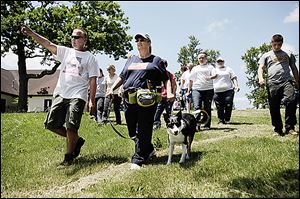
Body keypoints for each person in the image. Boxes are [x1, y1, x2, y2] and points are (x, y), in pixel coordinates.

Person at [21, 25, 100, 167]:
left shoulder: (90, 58)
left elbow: (93, 80)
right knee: (51, 124)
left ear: (85, 40)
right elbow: (48, 44)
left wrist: (91, 101)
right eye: (72, 37)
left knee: (71, 126)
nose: (74, 39)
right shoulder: (66, 52)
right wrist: (32, 33)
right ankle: (77, 140)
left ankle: (69, 157)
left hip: (78, 94)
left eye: (77, 37)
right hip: (61, 93)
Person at [108, 33, 169, 170]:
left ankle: (138, 158)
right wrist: (112, 88)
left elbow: (165, 78)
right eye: (137, 40)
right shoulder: (131, 59)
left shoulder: (156, 60)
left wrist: (169, 92)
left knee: (144, 126)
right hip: (129, 98)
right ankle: (149, 149)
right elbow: (123, 76)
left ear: (149, 43)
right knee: (131, 129)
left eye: (142, 40)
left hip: (147, 98)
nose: (139, 42)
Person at [258, 34, 299, 136]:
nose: (276, 47)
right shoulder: (266, 55)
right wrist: (261, 78)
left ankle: (290, 128)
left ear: (282, 44)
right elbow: (261, 67)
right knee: (274, 106)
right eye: (274, 44)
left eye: (279, 44)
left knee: (291, 100)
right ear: (271, 43)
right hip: (272, 83)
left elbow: (294, 68)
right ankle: (278, 129)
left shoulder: (288, 54)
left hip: (287, 81)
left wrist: (297, 81)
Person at [187, 52, 214, 130]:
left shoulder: (210, 67)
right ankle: (196, 125)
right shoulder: (195, 68)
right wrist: (189, 90)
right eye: (199, 58)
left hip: (208, 89)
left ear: (206, 58)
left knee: (207, 108)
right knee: (197, 107)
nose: (201, 59)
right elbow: (191, 80)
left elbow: (215, 75)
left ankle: (206, 125)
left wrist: (210, 77)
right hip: (197, 89)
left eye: (203, 58)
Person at [211, 57, 240, 124]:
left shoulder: (228, 69)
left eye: (221, 61)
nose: (220, 62)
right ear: (216, 62)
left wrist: (236, 85)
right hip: (217, 91)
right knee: (219, 106)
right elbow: (211, 79)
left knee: (228, 103)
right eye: (218, 61)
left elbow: (233, 77)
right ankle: (221, 120)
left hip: (228, 90)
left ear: (224, 62)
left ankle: (227, 119)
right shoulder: (214, 70)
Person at [153, 59, 177, 130]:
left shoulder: (170, 74)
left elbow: (174, 85)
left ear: (166, 66)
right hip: (160, 96)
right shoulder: (157, 75)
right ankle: (156, 124)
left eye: (163, 65)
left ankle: (170, 125)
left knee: (169, 112)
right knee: (157, 112)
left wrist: (173, 94)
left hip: (168, 97)